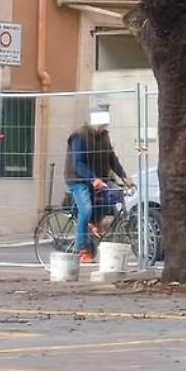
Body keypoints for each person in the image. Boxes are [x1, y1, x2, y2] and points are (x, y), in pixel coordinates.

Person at [65, 108, 132, 265]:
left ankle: (94, 222)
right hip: (78, 179)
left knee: (113, 196)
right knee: (86, 209)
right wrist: (92, 178)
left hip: (98, 178)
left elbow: (111, 157)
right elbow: (78, 163)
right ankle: (81, 249)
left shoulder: (104, 136)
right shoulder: (79, 135)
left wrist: (123, 176)